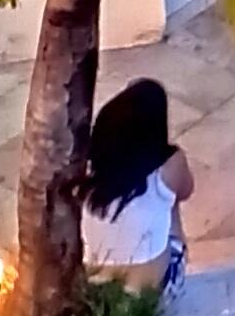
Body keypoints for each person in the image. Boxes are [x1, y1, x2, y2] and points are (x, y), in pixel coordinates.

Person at [81, 79, 193, 295]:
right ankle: (174, 261)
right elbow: (187, 190)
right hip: (153, 295)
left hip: (96, 288)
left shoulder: (86, 171)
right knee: (170, 201)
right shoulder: (171, 163)